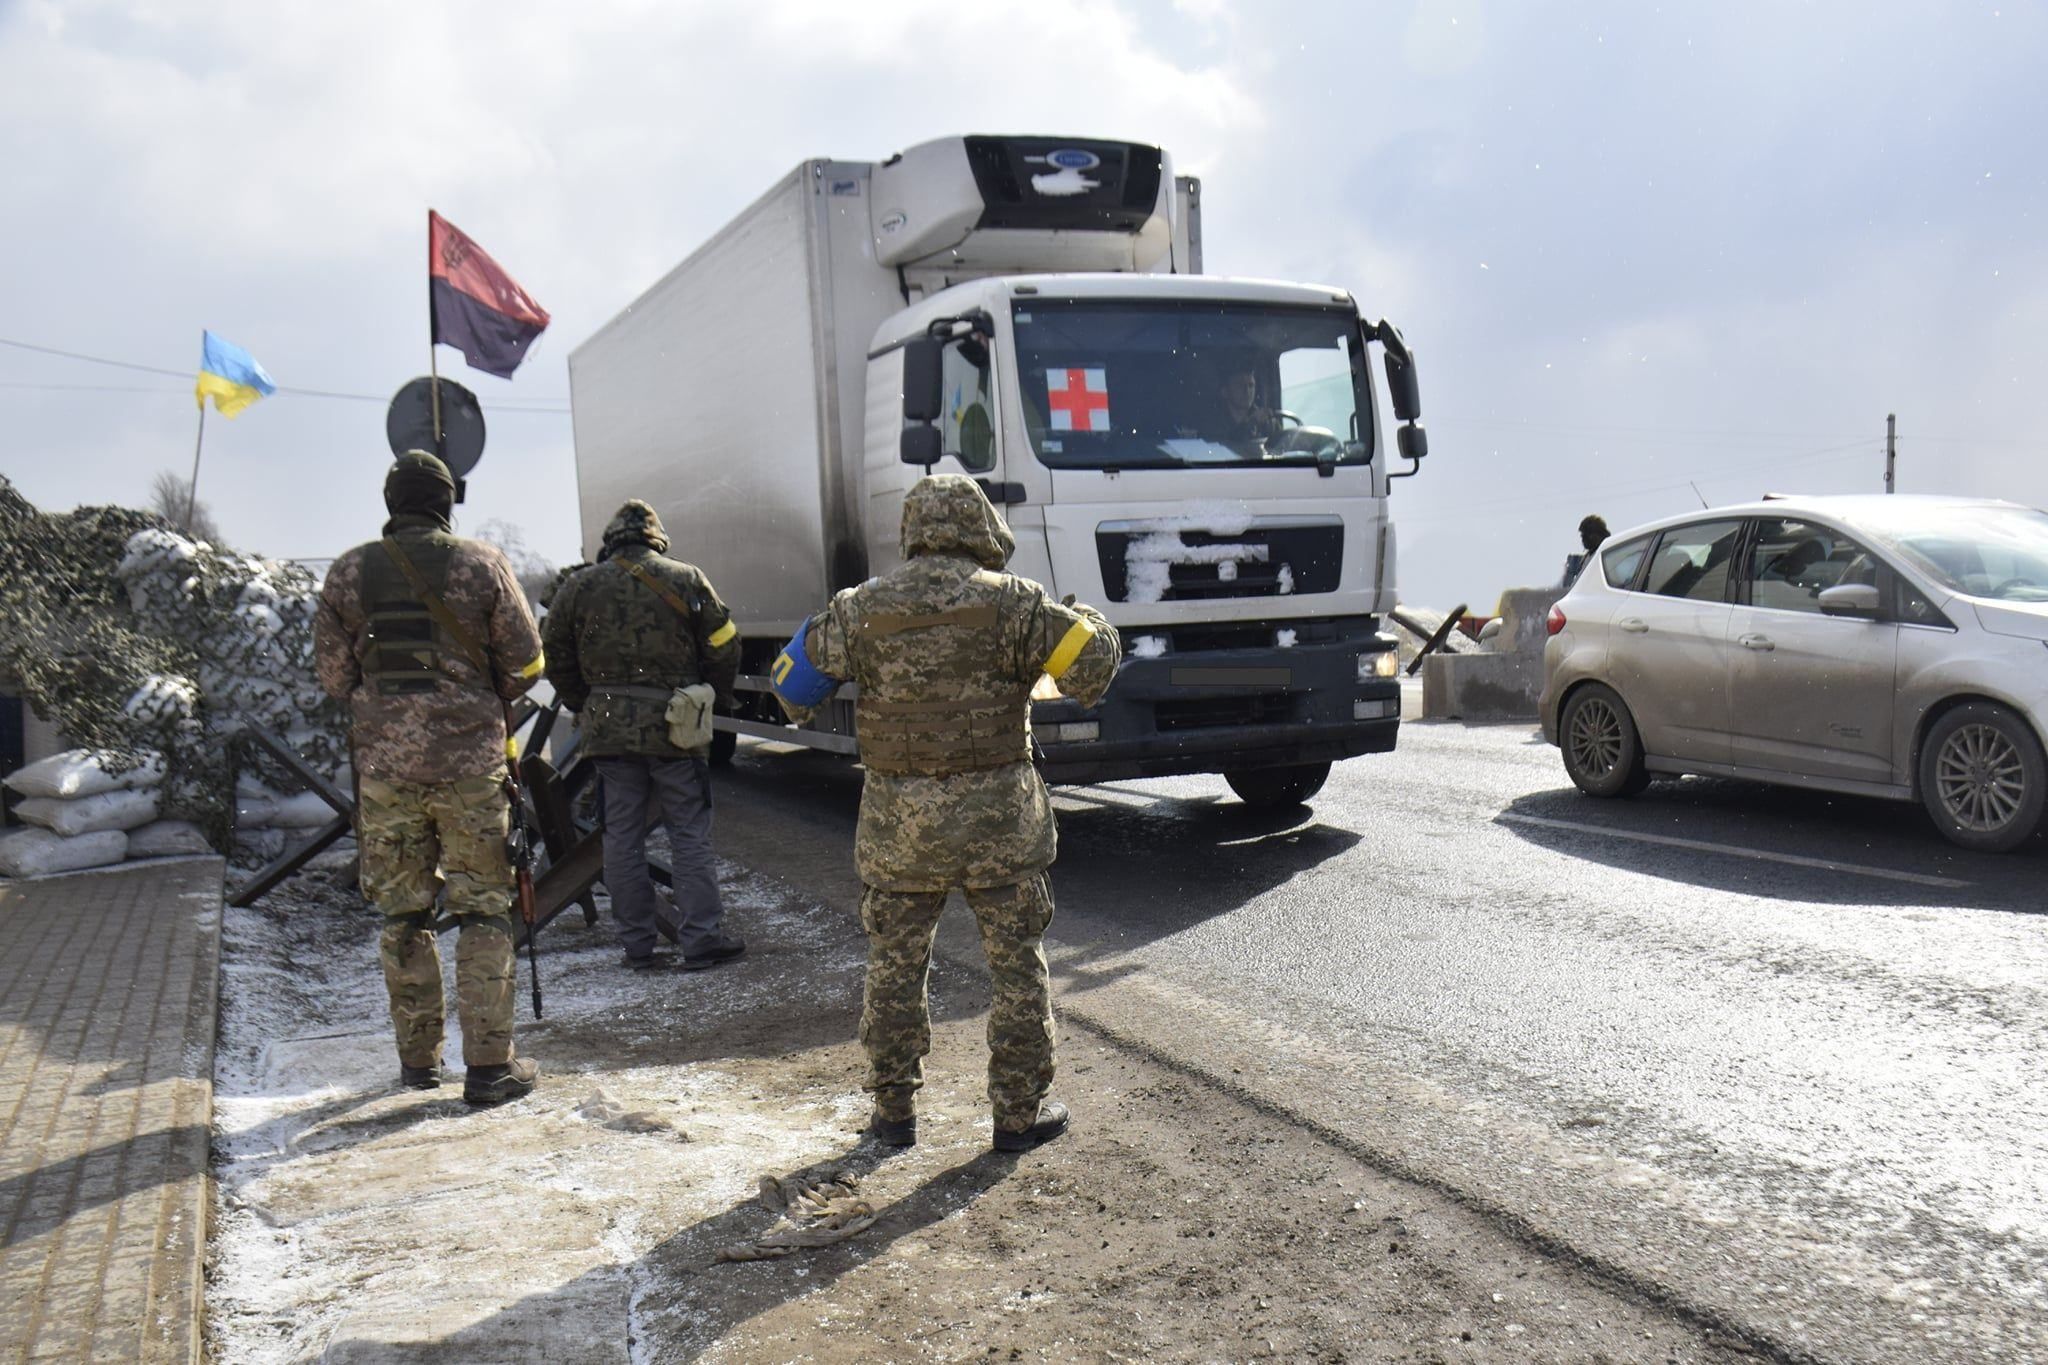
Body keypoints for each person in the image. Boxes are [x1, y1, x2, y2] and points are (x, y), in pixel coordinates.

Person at [772, 474, 1120, 1153]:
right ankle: (1018, 1115)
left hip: (901, 833)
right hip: (1001, 828)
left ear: (912, 531)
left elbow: (791, 690)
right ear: (980, 527)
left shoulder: (862, 608)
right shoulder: (1017, 605)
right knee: (1016, 967)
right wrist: (1092, 621)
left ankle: (894, 1113)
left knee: (896, 967)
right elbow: (1092, 672)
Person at [313, 450, 545, 1107]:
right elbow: (527, 662)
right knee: (484, 910)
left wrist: (387, 707)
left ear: (392, 502)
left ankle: (419, 1063)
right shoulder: (483, 564)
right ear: (446, 502)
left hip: (386, 774)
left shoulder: (349, 572)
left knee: (404, 916)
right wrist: (479, 691)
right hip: (472, 770)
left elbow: (333, 678)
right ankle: (489, 1066)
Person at [542, 500, 745, 971]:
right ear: (657, 539)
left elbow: (555, 652)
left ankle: (638, 945)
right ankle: (701, 940)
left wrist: (584, 701)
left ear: (611, 541)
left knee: (622, 838)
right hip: (676, 726)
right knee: (689, 834)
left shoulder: (579, 586)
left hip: (609, 728)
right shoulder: (686, 578)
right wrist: (709, 693)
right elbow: (724, 644)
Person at [1212, 365, 1282, 451]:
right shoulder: (1214, 424)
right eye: (1239, 385)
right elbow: (1227, 448)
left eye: (1251, 385)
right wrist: (1250, 424)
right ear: (1225, 392)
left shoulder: (1267, 422)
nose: (1247, 390)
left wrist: (1273, 424)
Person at [1563, 513, 1610, 588]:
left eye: (1586, 535)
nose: (1583, 539)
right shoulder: (1587, 558)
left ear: (1598, 534)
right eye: (1582, 536)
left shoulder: (1608, 554)